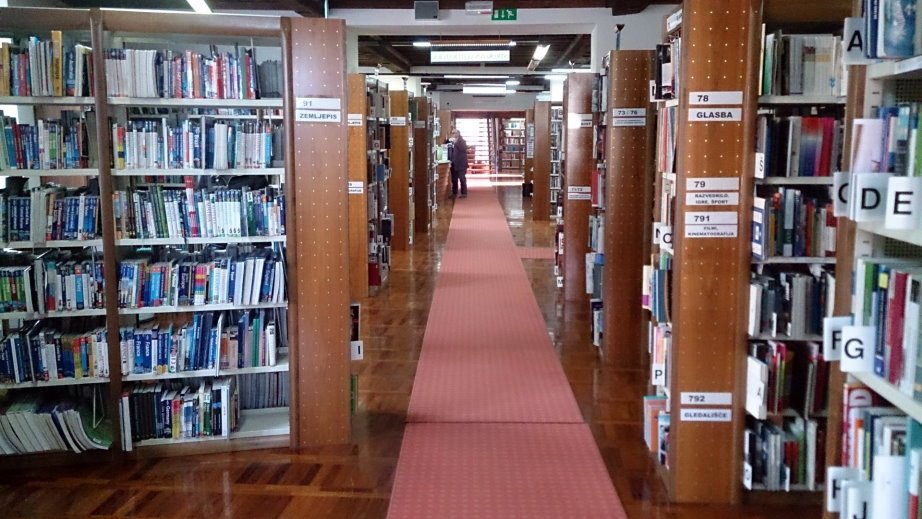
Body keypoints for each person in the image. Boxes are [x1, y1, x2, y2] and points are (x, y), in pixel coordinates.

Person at [445, 128, 468, 198]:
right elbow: (445, 145)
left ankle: (464, 193)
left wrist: (456, 143)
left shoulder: (462, 141)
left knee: (462, 178)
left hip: (461, 163)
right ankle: (454, 193)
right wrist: (448, 140)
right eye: (452, 133)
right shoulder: (451, 141)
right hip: (453, 163)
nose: (453, 134)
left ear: (458, 133)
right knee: (454, 179)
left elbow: (463, 148)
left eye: (454, 133)